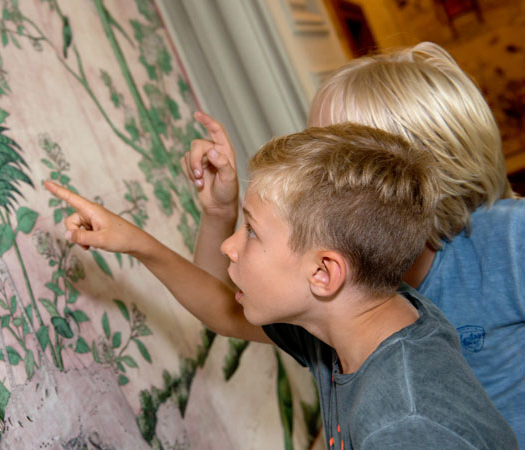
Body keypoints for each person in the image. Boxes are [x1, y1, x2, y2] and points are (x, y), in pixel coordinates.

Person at [45, 123, 518, 449]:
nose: (231, 247)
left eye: (251, 231)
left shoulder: (403, 422)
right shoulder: (360, 319)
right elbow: (222, 312)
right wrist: (137, 243)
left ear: (323, 274)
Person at [182, 42, 525, 443]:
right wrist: (219, 214)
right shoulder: (341, 291)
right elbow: (225, 304)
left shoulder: (506, 240)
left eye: (335, 155)